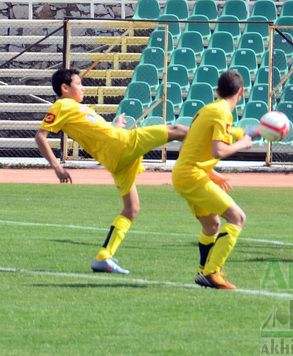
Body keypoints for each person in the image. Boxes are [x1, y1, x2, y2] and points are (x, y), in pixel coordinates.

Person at [36, 68, 189, 274]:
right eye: (79, 84)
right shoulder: (62, 105)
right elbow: (40, 136)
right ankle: (207, 159)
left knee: (132, 209)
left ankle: (103, 257)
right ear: (64, 88)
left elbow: (99, 134)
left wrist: (115, 126)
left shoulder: (77, 108)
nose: (83, 88)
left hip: (115, 159)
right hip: (121, 146)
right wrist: (57, 167)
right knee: (180, 131)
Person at [172, 70, 253, 289]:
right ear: (241, 92)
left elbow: (192, 143)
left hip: (185, 172)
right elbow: (218, 150)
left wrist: (211, 173)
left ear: (217, 91)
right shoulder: (222, 113)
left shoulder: (208, 109)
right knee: (237, 217)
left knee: (212, 225)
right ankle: (212, 272)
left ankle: (202, 272)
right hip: (192, 176)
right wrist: (242, 144)